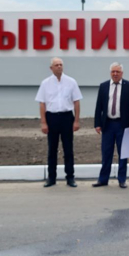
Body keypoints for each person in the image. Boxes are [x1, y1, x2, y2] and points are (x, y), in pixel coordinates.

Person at [35, 57, 82, 188]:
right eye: (56, 65)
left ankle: (70, 177)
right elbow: (42, 104)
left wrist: (76, 121)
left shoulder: (71, 82)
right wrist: (43, 122)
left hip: (67, 117)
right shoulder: (45, 83)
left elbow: (77, 102)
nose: (59, 66)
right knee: (52, 149)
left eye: (61, 64)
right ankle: (51, 178)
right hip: (52, 118)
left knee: (68, 149)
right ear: (51, 68)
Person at [92, 62, 129, 189]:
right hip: (107, 125)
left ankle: (122, 179)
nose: (115, 74)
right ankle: (103, 179)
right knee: (106, 153)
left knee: (123, 153)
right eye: (113, 71)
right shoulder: (104, 86)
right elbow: (99, 106)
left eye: (118, 71)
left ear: (122, 73)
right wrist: (97, 124)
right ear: (110, 73)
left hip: (123, 125)